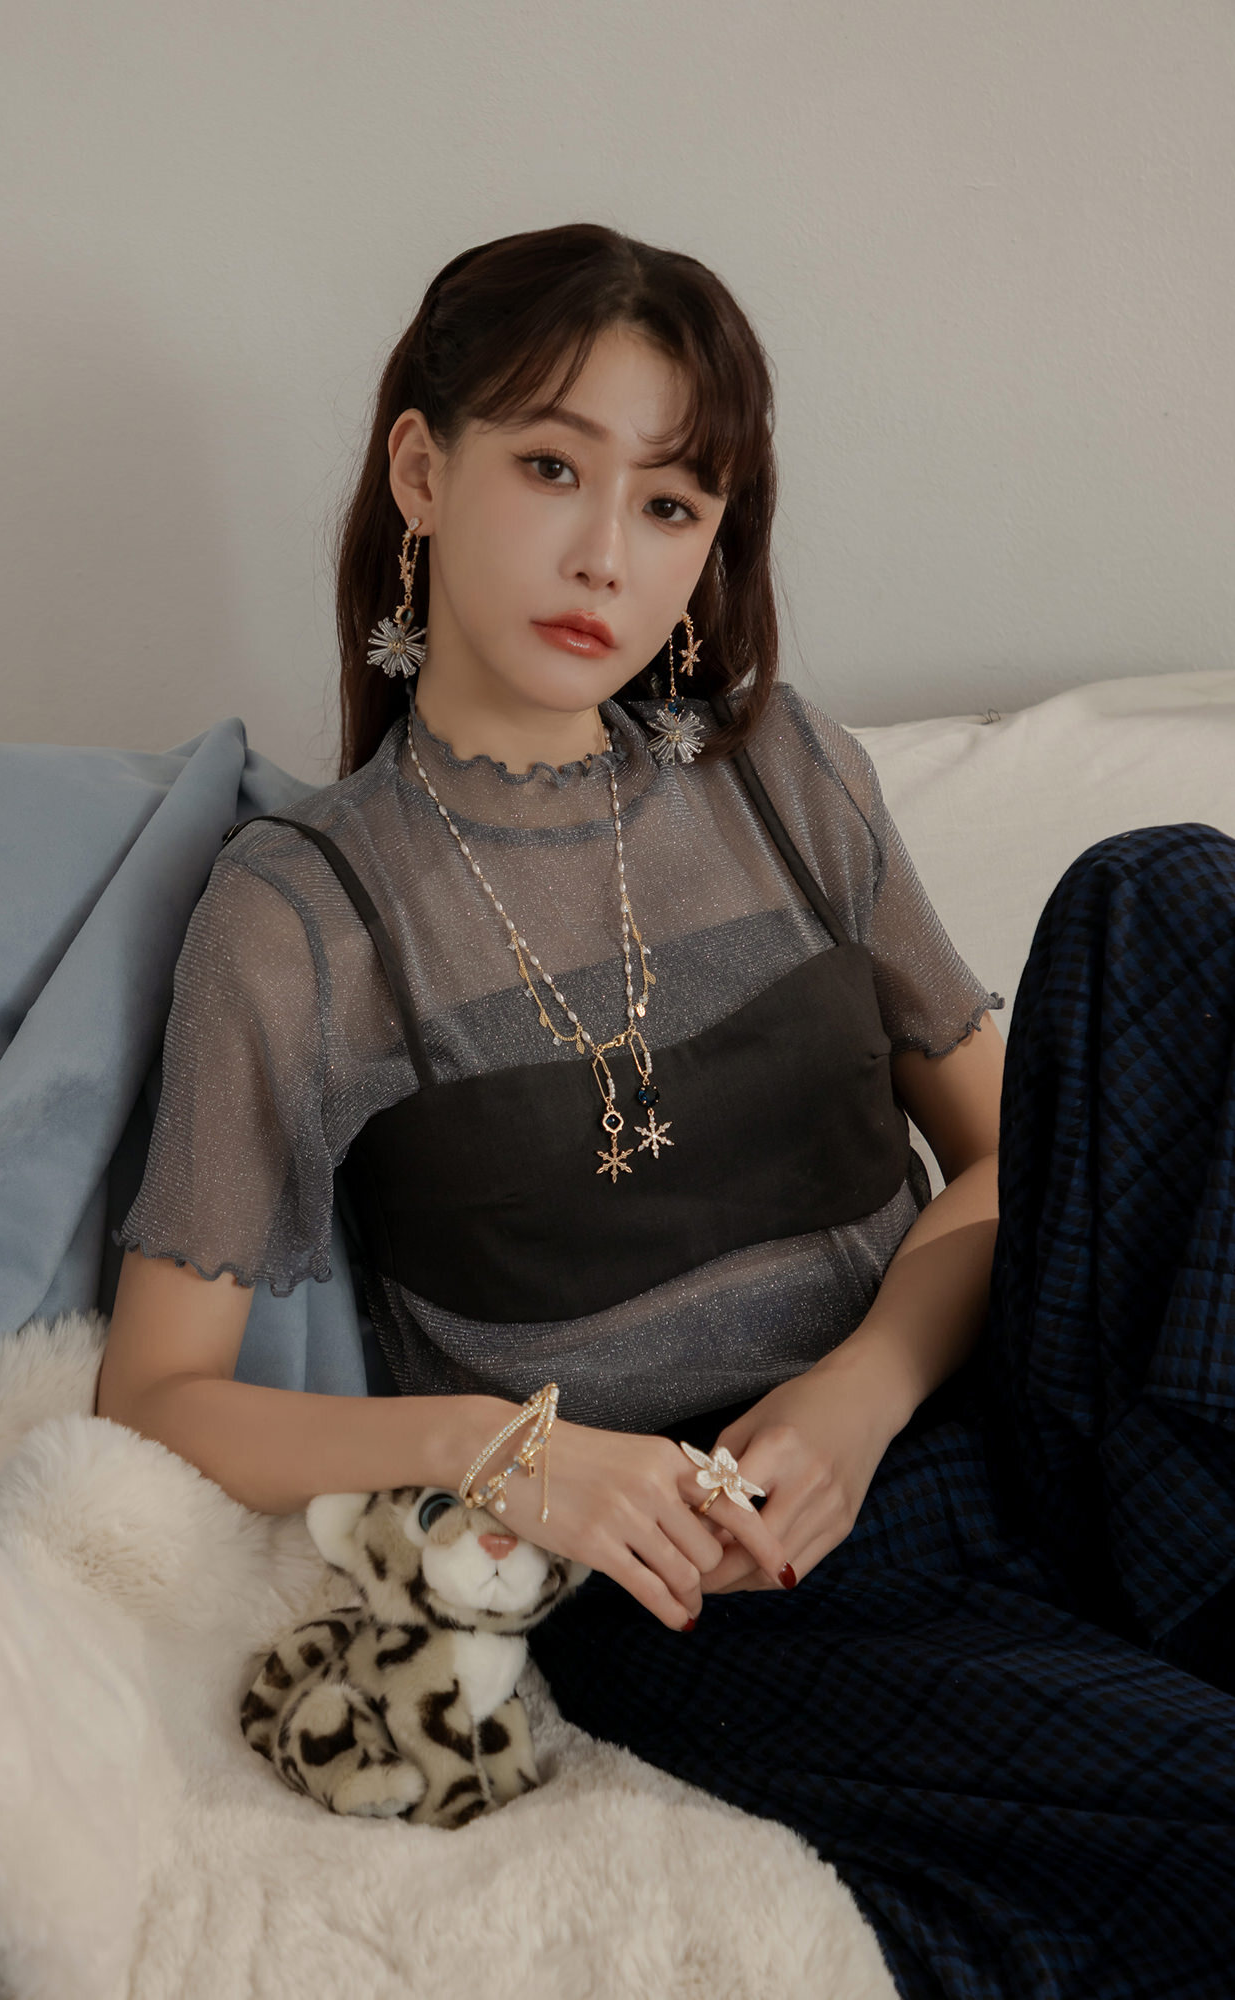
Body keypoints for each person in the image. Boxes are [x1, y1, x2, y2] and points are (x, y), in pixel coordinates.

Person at [95, 223, 1235, 1999]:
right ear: (422, 471)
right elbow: (155, 1397)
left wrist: (865, 1389)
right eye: (554, 468)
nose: (604, 556)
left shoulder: (787, 774)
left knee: (1164, 896)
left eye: (672, 502)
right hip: (707, 1580)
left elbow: (1025, 1165)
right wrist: (507, 1454)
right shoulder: (301, 913)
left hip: (991, 1416)